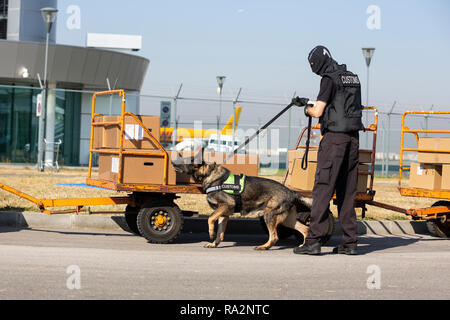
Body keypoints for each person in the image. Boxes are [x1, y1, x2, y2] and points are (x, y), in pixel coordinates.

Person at [291, 45, 364, 255]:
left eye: (312, 64)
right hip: (353, 140)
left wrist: (306, 108)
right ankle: (350, 243)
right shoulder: (351, 77)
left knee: (323, 189)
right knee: (346, 193)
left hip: (334, 141)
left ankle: (313, 241)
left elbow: (319, 111)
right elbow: (338, 104)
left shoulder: (328, 79)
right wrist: (309, 101)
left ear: (318, 63)